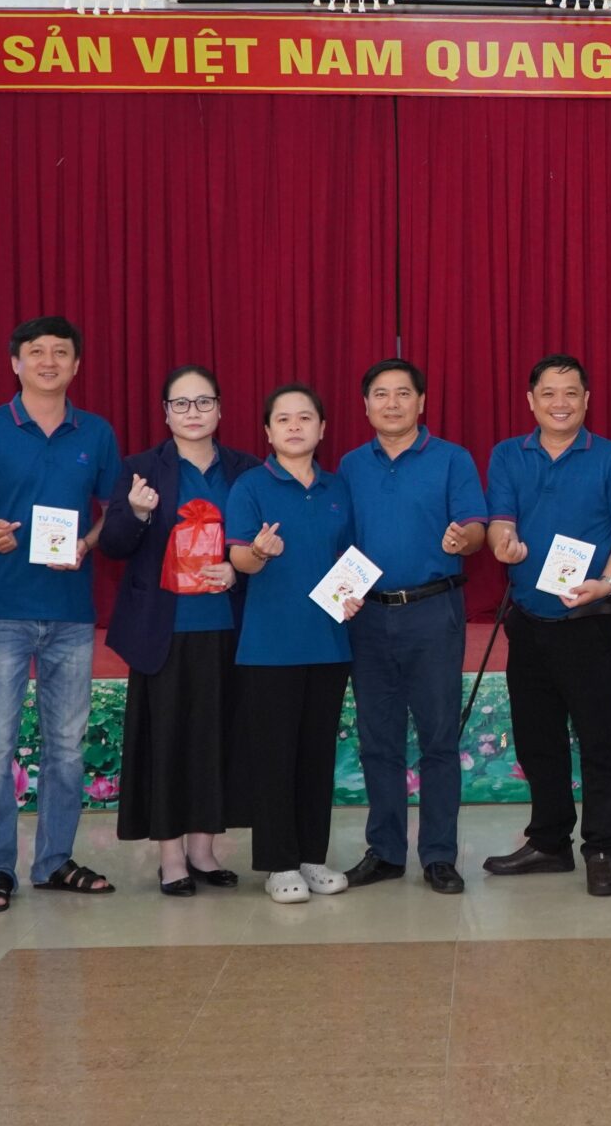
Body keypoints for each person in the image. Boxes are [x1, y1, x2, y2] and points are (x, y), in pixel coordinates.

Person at [0, 316, 121, 913]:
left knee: (67, 748)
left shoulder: (96, 432)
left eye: (60, 352)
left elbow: (113, 510)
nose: (48, 361)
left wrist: (87, 544)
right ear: (15, 362)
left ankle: (54, 861)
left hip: (71, 612)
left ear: (76, 365)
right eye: (36, 351)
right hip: (2, 608)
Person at [483, 354, 611, 897]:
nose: (559, 403)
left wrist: (608, 583)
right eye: (548, 393)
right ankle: (549, 842)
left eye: (570, 393)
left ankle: (601, 850)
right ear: (531, 400)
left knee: (600, 742)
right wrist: (504, 544)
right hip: (528, 620)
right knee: (537, 740)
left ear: (586, 400)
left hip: (589, 619)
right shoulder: (508, 455)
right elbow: (500, 522)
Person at [97, 365, 259, 896]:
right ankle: (171, 858)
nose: (193, 413)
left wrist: (238, 568)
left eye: (203, 402)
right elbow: (114, 545)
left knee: (216, 738)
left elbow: (259, 544)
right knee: (167, 742)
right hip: (162, 631)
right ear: (166, 413)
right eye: (181, 404)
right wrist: (136, 514)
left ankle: (204, 851)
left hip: (229, 626)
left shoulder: (245, 469)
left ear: (220, 410)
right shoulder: (141, 469)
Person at [336, 359, 488, 896]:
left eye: (404, 393)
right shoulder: (350, 465)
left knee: (439, 739)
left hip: (432, 611)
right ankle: (385, 851)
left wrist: (464, 539)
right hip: (369, 616)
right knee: (378, 740)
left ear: (421, 402)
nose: (393, 403)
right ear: (366, 405)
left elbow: (476, 527)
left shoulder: (452, 459)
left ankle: (439, 855)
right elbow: (338, 537)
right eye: (381, 394)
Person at [225, 385, 361, 904]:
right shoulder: (250, 486)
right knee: (274, 757)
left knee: (316, 756)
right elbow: (239, 560)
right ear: (267, 431)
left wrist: (352, 595)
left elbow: (350, 556)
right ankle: (279, 863)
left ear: (322, 428)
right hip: (269, 646)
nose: (295, 426)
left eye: (305, 418)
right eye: (283, 419)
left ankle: (312, 856)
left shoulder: (338, 487)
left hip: (329, 643)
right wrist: (259, 551)